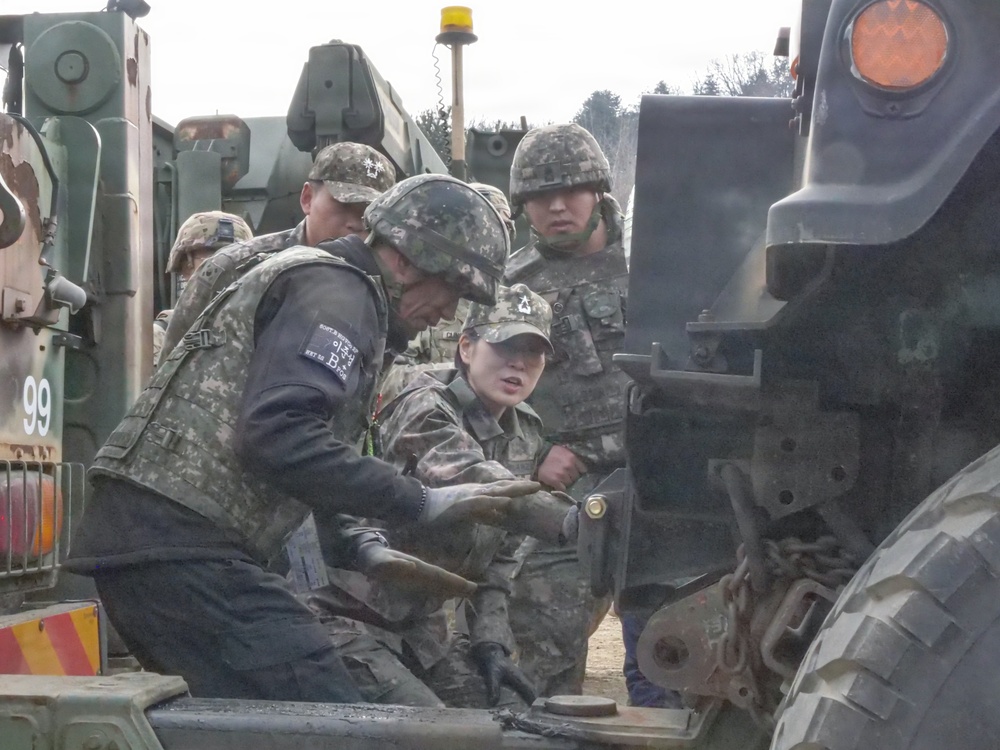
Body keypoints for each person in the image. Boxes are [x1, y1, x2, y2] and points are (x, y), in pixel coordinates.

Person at [63, 174, 544, 704]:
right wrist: (421, 500)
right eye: (453, 289)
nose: (450, 312)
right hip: (179, 547)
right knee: (327, 719)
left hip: (166, 544)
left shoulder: (331, 287)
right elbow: (279, 433)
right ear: (410, 261)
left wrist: (355, 543)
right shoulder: (340, 293)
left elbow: (297, 449)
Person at [308, 283, 573, 709]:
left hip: (423, 633)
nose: (519, 363)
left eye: (534, 353)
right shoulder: (424, 403)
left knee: (512, 716)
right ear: (466, 347)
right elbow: (477, 483)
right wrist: (578, 521)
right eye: (505, 347)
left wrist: (490, 641)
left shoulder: (524, 431)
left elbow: (502, 559)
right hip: (345, 617)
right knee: (433, 728)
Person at [503, 122, 630, 697]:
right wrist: (535, 457)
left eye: (571, 190)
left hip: (664, 476)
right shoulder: (510, 287)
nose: (557, 207)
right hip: (568, 489)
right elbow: (481, 393)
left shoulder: (657, 263)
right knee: (542, 655)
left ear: (598, 190)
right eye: (540, 195)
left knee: (682, 650)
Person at [159, 141, 395, 359]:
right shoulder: (234, 269)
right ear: (307, 198)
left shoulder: (391, 289)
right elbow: (172, 367)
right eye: (344, 205)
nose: (356, 222)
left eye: (369, 213)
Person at [379, 182, 518, 403]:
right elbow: (388, 379)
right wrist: (464, 375)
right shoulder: (420, 298)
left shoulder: (516, 307)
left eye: (505, 230)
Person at [153, 211, 253, 365]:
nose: (227, 268)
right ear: (186, 267)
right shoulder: (162, 335)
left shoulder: (263, 328)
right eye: (214, 261)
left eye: (238, 260)